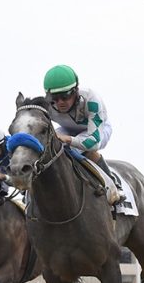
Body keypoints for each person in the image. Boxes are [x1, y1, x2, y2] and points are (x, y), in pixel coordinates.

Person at [42, 64, 124, 204]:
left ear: (76, 91)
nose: (60, 102)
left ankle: (114, 184)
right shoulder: (46, 105)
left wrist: (69, 140)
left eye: (65, 96)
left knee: (84, 148)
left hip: (97, 130)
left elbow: (92, 142)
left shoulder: (92, 100)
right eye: (54, 97)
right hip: (68, 129)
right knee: (49, 145)